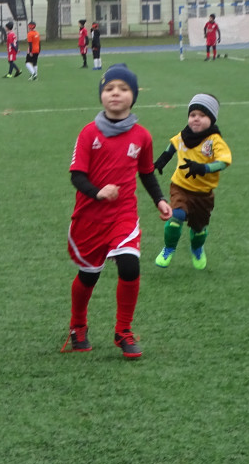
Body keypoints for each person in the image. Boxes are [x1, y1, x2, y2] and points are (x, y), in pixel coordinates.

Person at [63, 65, 171, 360]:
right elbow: (77, 175)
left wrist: (159, 200)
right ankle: (78, 326)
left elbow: (146, 173)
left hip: (123, 215)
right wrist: (98, 192)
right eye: (110, 88)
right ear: (101, 95)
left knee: (129, 266)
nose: (115, 94)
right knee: (89, 276)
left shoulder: (142, 136)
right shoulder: (88, 133)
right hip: (89, 218)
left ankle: (123, 330)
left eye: (123, 89)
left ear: (133, 97)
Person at [153, 94, 232, 270]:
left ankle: (197, 248)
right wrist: (162, 160)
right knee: (177, 216)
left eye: (202, 116)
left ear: (211, 119)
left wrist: (204, 168)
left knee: (199, 228)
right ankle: (169, 248)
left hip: (203, 193)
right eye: (193, 115)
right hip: (180, 186)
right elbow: (173, 145)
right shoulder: (184, 135)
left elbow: (224, 161)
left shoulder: (214, 141)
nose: (196, 119)